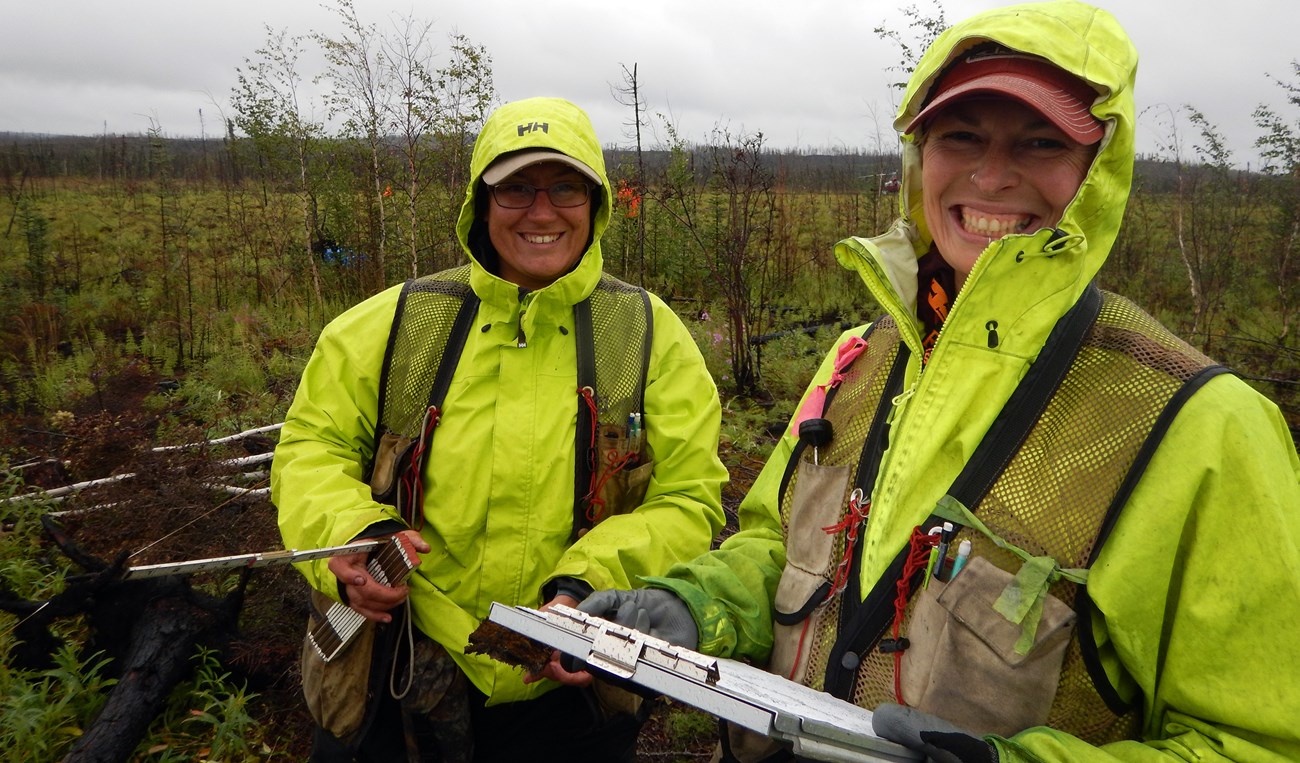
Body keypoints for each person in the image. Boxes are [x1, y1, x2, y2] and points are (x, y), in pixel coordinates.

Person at [570, 2, 1300, 762]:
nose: (990, 174)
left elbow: (1261, 741)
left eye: (1041, 141)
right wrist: (696, 604)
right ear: (920, 157)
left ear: (1098, 169)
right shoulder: (860, 357)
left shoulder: (1201, 425)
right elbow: (775, 547)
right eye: (962, 136)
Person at [271, 96, 728, 762]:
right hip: (395, 668)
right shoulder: (394, 323)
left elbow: (689, 498)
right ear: (481, 205)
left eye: (565, 186)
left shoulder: (649, 337)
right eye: (515, 188)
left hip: (568, 688)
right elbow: (310, 450)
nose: (541, 211)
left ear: (595, 203)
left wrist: (583, 590)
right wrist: (355, 535)